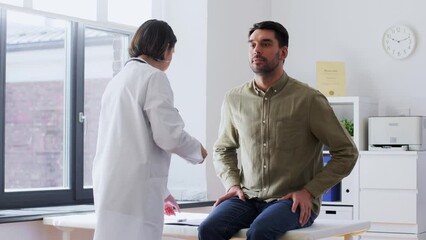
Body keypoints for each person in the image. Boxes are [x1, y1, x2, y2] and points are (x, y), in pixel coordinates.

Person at [198, 21, 358, 240]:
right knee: (208, 229)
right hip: (247, 198)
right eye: (252, 44)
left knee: (261, 231)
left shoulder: (308, 99)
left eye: (265, 44)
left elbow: (347, 152)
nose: (256, 50)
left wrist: (310, 191)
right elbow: (223, 149)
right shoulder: (234, 99)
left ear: (283, 52)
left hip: (292, 200)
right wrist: (232, 184)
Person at [92, 19, 208, 240]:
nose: (171, 59)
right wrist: (198, 151)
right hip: (136, 195)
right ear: (165, 50)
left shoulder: (117, 81)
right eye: (172, 52)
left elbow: (127, 142)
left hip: (110, 189)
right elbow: (169, 136)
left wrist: (162, 192)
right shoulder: (154, 77)